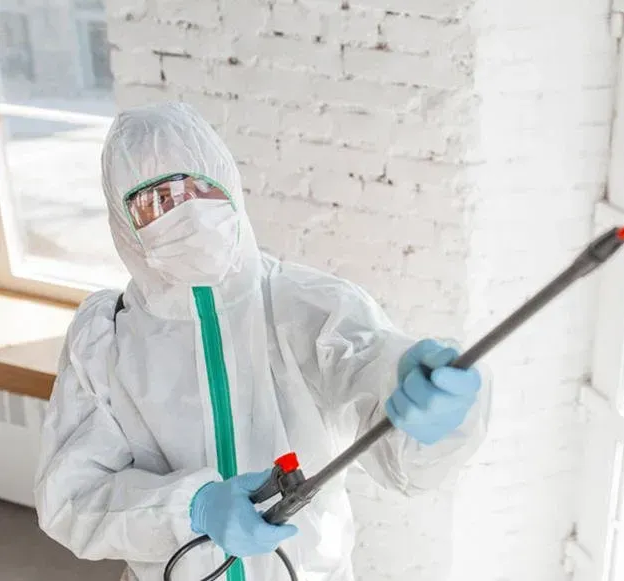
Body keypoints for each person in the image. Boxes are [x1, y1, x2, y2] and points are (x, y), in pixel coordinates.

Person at [33, 102, 491, 581]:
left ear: (227, 183)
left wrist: (419, 396)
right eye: (157, 201)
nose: (185, 210)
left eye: (199, 187)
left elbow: (385, 410)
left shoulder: (308, 305)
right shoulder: (106, 342)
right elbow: (72, 498)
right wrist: (191, 507)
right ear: (124, 224)